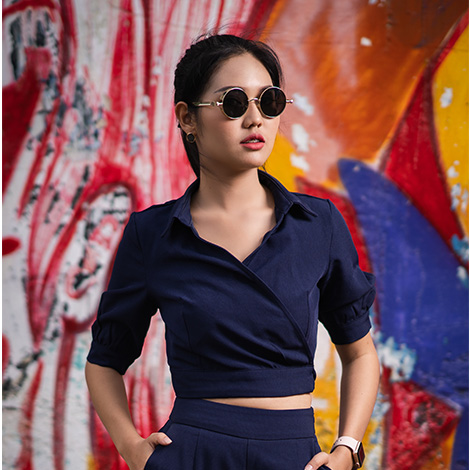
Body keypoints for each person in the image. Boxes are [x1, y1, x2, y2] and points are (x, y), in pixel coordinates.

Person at [85, 34, 380, 470]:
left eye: (270, 101)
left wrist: (346, 450)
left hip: (293, 456)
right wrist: (134, 450)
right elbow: (104, 362)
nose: (255, 118)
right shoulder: (154, 233)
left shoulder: (318, 225)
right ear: (187, 118)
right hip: (193, 455)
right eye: (234, 103)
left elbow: (359, 352)